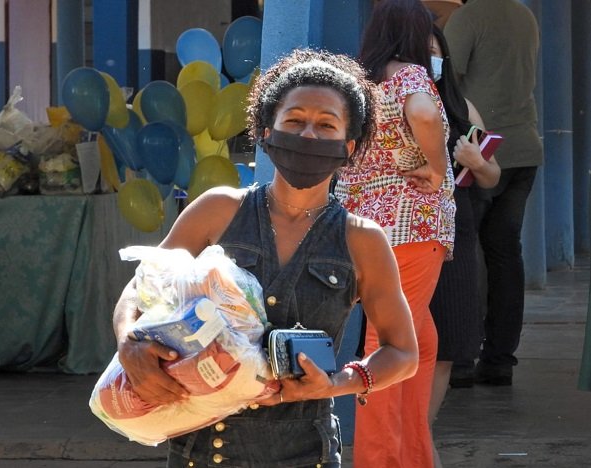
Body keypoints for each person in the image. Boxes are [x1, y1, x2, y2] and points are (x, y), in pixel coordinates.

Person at [113, 48, 420, 467]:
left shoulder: (362, 240)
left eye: (326, 125)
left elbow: (403, 353)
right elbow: (139, 289)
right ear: (266, 131)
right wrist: (129, 343)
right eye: (294, 121)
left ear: (348, 147)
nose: (308, 135)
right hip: (202, 452)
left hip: (305, 454)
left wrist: (337, 383)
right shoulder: (218, 210)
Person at [334, 1, 456, 466]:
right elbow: (423, 114)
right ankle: (380, 459)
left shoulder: (357, 85)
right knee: (389, 346)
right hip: (411, 226)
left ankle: (413, 456)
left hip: (364, 228)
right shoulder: (409, 76)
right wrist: (438, 168)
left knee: (421, 342)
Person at [444, 0, 543, 386]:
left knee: (465, 256)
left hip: (480, 152)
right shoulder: (525, 15)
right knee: (505, 256)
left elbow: (445, 82)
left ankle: (461, 360)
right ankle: (500, 359)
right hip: (524, 148)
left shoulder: (468, 17)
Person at [427, 24, 501, 468]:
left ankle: (423, 434)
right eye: (420, 52)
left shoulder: (462, 107)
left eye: (435, 50)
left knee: (450, 345)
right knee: (405, 343)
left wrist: (476, 161)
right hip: (411, 237)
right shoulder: (390, 104)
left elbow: (491, 175)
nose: (430, 59)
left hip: (459, 232)